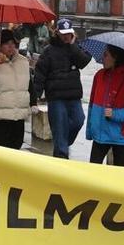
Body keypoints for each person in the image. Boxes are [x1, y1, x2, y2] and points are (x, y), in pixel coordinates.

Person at [33, 18, 91, 158]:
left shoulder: (76, 47)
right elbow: (40, 74)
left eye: (68, 33)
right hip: (56, 97)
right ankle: (61, 154)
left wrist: (72, 46)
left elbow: (84, 62)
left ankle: (63, 143)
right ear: (57, 33)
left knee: (79, 120)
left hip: (74, 96)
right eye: (63, 33)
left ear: (72, 33)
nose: (66, 36)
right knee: (59, 128)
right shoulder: (49, 51)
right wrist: (35, 96)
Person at [86, 46, 124, 166]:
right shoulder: (99, 76)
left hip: (121, 137)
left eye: (106, 55)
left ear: (116, 57)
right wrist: (90, 130)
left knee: (118, 175)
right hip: (99, 135)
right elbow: (92, 104)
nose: (103, 58)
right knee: (92, 171)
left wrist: (115, 114)